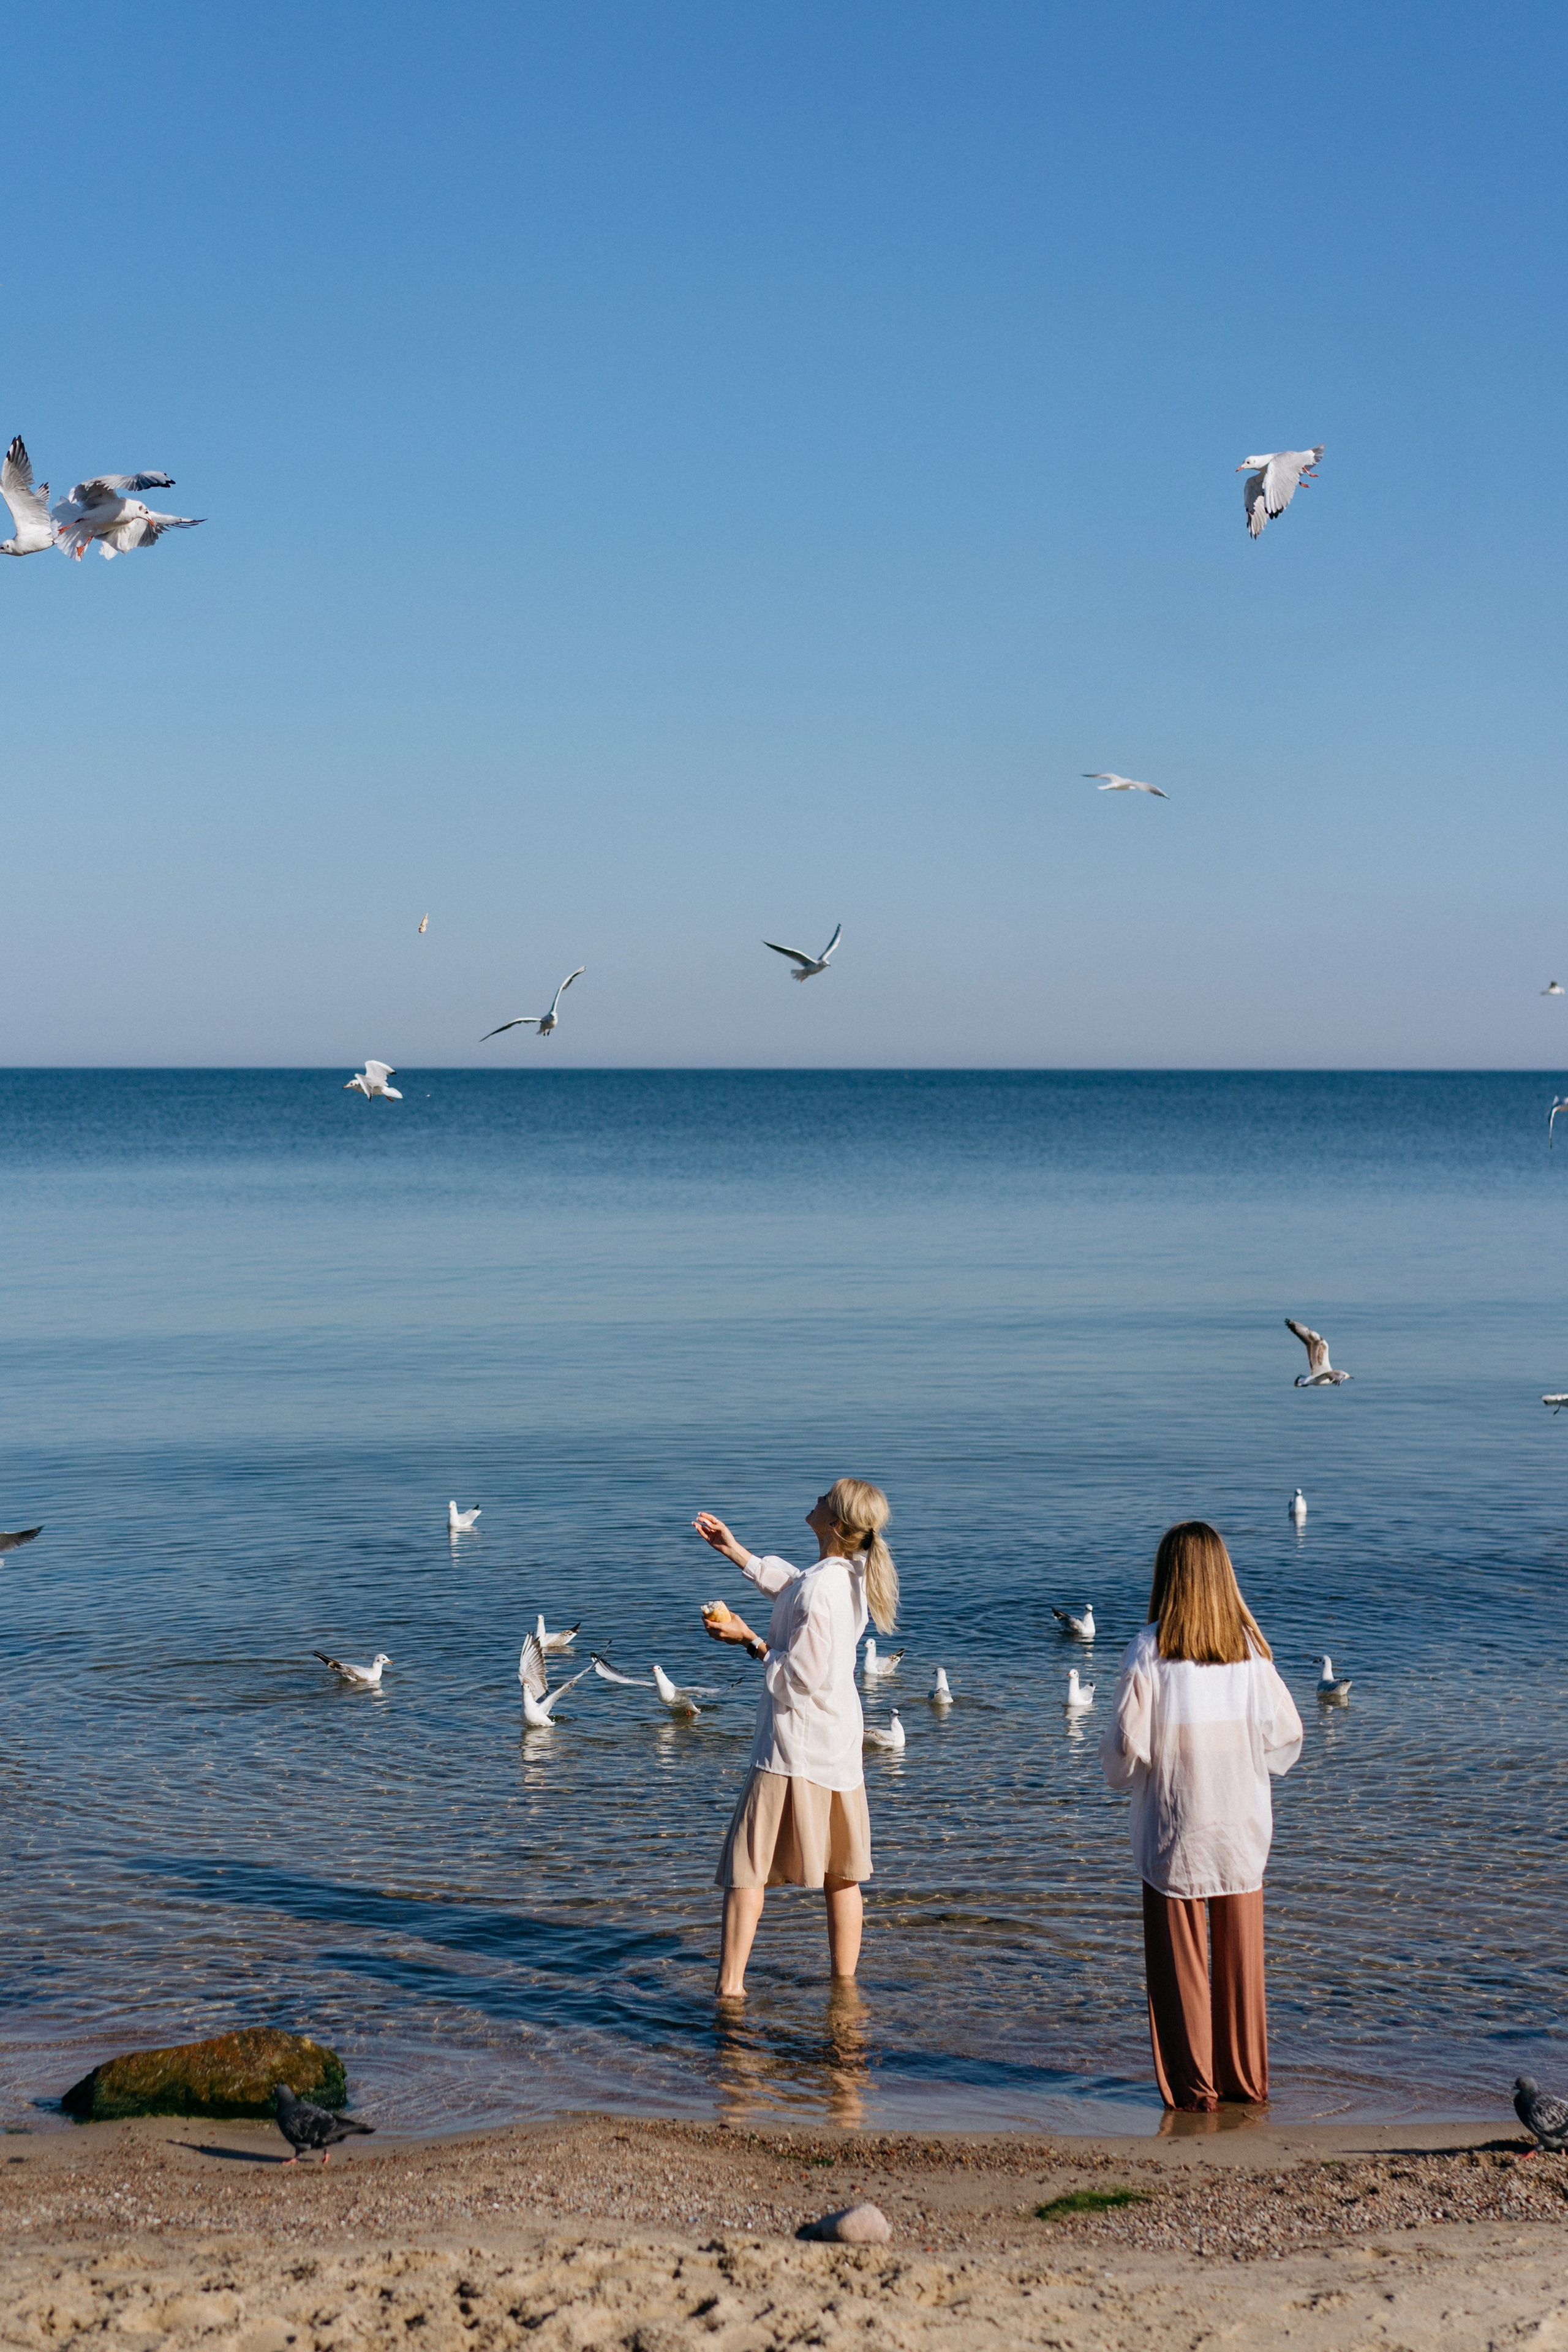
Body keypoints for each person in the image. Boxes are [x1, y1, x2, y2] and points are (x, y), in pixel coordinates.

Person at [1101, 1520, 1303, 2112]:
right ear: (1223, 1579)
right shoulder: (1248, 1651)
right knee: (1242, 1967)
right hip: (1241, 1826)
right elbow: (1288, 1737)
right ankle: (1246, 2083)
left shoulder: (1150, 1649)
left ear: (1168, 1578)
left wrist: (1138, 1772)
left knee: (1180, 1965)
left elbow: (1122, 1755)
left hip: (1176, 1826)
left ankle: (1195, 2092)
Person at [693, 1479, 897, 1999]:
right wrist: (735, 1552)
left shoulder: (825, 1588)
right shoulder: (847, 1574)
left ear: (835, 1524)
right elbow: (793, 1586)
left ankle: (731, 1990)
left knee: (747, 1866)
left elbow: (799, 1678)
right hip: (836, 1744)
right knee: (842, 1871)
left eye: (826, 1497)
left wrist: (750, 1641)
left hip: (793, 1746)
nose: (817, 1498)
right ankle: (844, 1989)